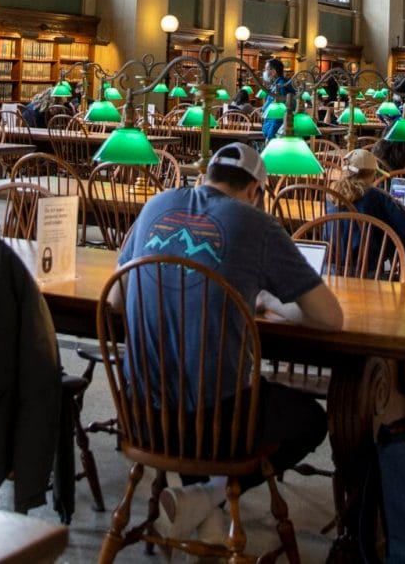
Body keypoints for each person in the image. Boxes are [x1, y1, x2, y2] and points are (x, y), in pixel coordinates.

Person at [118, 143, 343, 541]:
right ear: (255, 190)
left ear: (207, 174)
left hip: (141, 414)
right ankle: (209, 496)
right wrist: (268, 299)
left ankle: (198, 512)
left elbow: (117, 298)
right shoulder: (256, 225)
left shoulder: (155, 205)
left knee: (193, 382)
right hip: (214, 421)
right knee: (310, 420)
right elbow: (330, 318)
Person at [325, 148, 405, 263]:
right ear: (371, 174)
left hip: (329, 269)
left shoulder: (330, 195)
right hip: (367, 271)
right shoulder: (376, 196)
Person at [258, 58, 293, 141]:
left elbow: (279, 115)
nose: (264, 72)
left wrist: (270, 136)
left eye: (266, 69)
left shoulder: (280, 87)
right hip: (271, 128)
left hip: (274, 131)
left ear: (273, 71)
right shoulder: (276, 85)